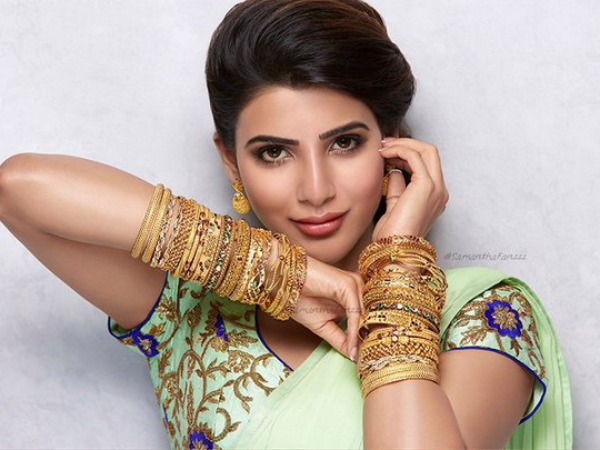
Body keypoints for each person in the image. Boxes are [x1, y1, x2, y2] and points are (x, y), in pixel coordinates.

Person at [0, 0, 572, 448]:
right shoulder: (190, 316)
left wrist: (398, 268)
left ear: (394, 147)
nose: (315, 190)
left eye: (344, 143)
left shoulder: (482, 315)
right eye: (274, 152)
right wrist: (278, 276)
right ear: (231, 162)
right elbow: (19, 189)